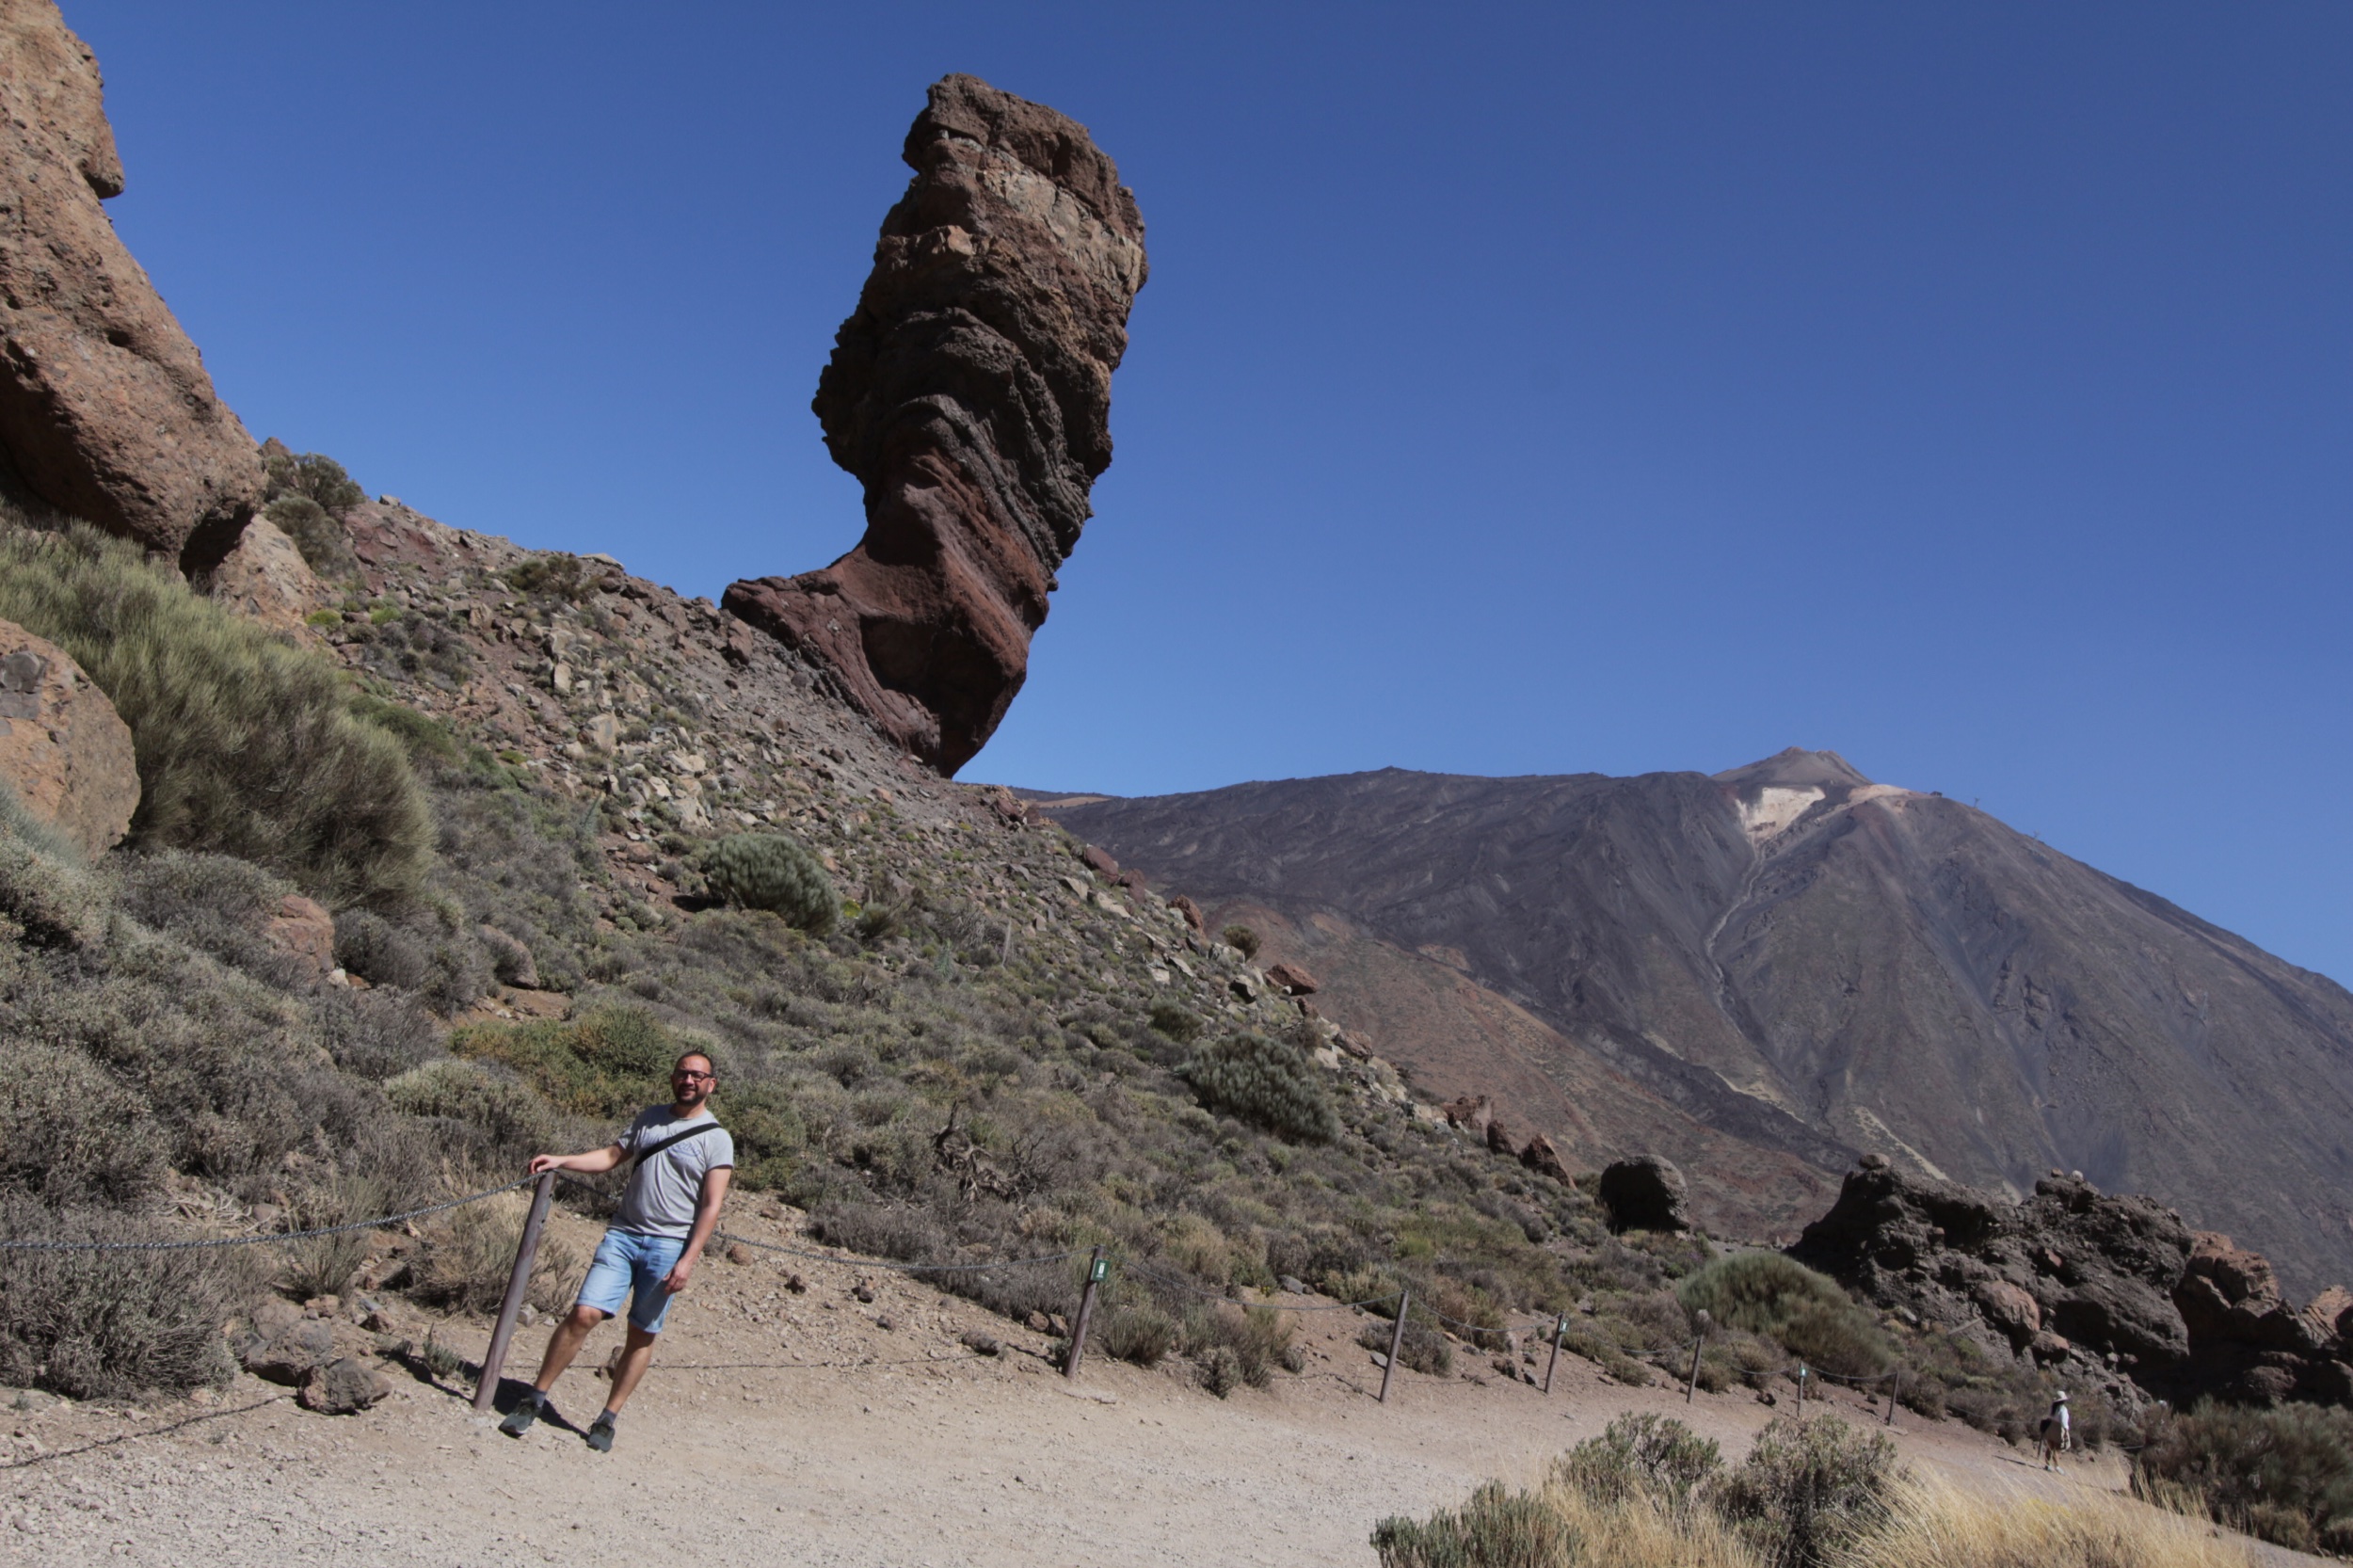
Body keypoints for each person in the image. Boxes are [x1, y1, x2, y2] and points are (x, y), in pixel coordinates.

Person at [499, 1050, 734, 1452]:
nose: (689, 1081)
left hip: (669, 1245)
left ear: (712, 1084)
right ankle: (534, 1397)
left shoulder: (717, 1139)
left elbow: (712, 1205)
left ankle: (609, 1416)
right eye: (683, 1073)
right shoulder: (650, 1118)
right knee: (583, 1313)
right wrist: (563, 1160)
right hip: (624, 1235)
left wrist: (689, 1259)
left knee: (641, 1335)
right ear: (673, 1078)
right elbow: (611, 1156)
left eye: (698, 1076)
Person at [2039, 1391, 2071, 1470]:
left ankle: (2047, 1464)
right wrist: (2066, 1430)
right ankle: (2057, 1466)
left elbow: (2049, 1416)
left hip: (2050, 1427)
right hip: (2059, 1429)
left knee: (2050, 1447)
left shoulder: (2053, 1408)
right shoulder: (2063, 1409)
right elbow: (2063, 1421)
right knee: (2057, 1449)